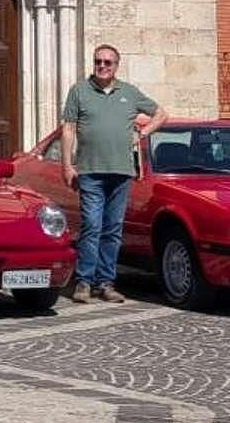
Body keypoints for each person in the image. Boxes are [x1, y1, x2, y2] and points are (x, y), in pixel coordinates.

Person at [61, 44, 167, 304]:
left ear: (116, 66)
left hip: (121, 172)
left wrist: (142, 133)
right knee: (92, 226)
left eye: (108, 62)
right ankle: (84, 282)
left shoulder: (129, 92)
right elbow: (68, 129)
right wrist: (67, 164)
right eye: (98, 61)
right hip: (90, 171)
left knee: (113, 229)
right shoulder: (79, 91)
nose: (102, 66)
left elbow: (161, 114)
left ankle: (106, 283)